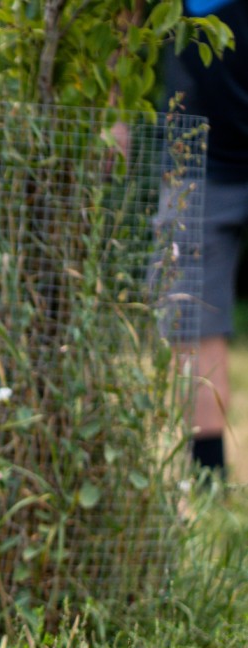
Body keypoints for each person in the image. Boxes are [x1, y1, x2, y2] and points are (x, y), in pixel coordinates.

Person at [166, 0, 247, 480]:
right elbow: (124, 15)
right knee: (192, 319)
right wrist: (113, 110)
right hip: (199, 154)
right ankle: (209, 480)